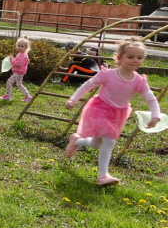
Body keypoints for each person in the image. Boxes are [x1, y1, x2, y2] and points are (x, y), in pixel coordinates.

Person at [64, 36, 161, 186]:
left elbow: (150, 98)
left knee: (97, 144)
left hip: (118, 114)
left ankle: (76, 141)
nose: (135, 60)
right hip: (100, 109)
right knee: (109, 141)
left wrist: (155, 115)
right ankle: (103, 175)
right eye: (131, 57)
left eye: (139, 57)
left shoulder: (138, 81)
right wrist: (73, 99)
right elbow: (88, 85)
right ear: (119, 58)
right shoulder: (107, 74)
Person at [0, 36, 32, 101]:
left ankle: (8, 96)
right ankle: (28, 96)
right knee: (19, 84)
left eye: (22, 46)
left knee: (9, 82)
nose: (19, 47)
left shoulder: (23, 55)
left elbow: (18, 64)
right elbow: (18, 61)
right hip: (20, 71)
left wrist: (12, 60)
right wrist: (14, 59)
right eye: (18, 46)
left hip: (18, 72)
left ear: (26, 47)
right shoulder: (20, 54)